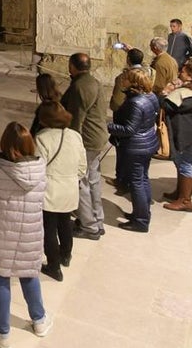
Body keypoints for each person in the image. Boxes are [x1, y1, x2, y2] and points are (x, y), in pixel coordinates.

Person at [0, 122, 52, 346]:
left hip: (0, 233)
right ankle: (40, 320)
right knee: (29, 273)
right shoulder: (41, 167)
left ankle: (1, 332)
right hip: (30, 232)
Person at [32, 101, 85, 281]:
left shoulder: (41, 138)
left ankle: (54, 266)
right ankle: (66, 255)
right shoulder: (75, 136)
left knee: (49, 228)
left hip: (50, 190)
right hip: (69, 189)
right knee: (65, 223)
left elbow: (38, 167)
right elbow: (82, 166)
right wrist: (71, 178)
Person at [60, 52, 109, 240]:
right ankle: (98, 219)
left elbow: (76, 118)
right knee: (93, 179)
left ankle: (89, 225)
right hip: (97, 137)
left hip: (86, 140)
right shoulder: (93, 81)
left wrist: (70, 142)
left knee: (80, 182)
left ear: (72, 66)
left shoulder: (80, 86)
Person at [107, 69, 160, 232]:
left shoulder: (136, 102)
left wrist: (110, 126)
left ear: (133, 82)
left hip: (137, 146)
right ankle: (142, 213)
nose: (122, 81)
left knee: (137, 182)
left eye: (125, 79)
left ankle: (141, 221)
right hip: (147, 142)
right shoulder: (151, 96)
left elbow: (129, 129)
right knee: (143, 178)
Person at [158, 54, 192, 212]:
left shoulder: (184, 93)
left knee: (185, 164)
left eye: (184, 70)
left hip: (184, 133)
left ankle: (185, 200)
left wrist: (166, 91)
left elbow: (165, 105)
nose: (180, 71)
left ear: (191, 75)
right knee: (183, 163)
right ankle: (180, 193)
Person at [109, 48, 152, 192]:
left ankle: (122, 180)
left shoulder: (124, 78)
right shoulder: (148, 73)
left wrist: (111, 125)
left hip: (127, 121)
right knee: (141, 172)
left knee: (123, 152)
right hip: (145, 127)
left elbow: (116, 102)